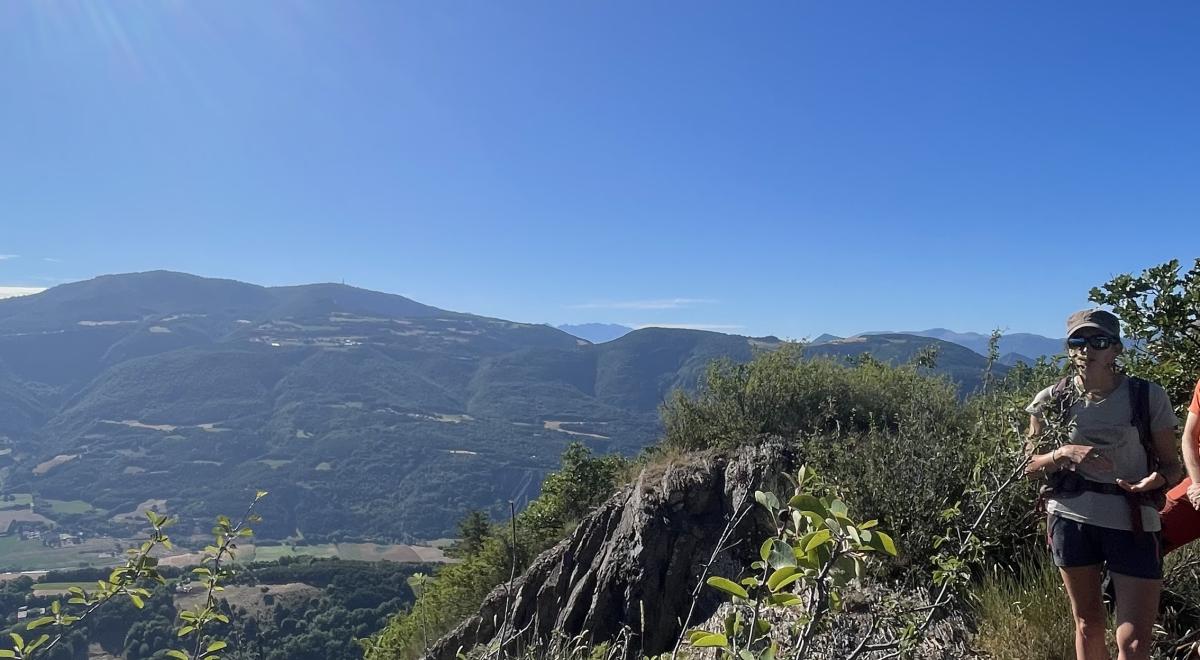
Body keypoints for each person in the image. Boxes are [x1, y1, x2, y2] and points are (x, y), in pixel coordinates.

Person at [1025, 309, 1182, 660]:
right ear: (1068, 349)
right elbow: (1029, 465)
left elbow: (1173, 467)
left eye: (1098, 341)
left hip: (1133, 523)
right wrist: (1063, 453)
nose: (1086, 350)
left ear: (1116, 349)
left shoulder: (1147, 397)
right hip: (1070, 518)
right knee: (1087, 625)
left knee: (1134, 642)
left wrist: (1155, 481)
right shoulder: (1051, 399)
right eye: (1078, 341)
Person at [1158, 322, 1200, 554]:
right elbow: (1189, 437)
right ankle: (1116, 591)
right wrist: (1197, 483)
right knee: (1150, 535)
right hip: (1195, 490)